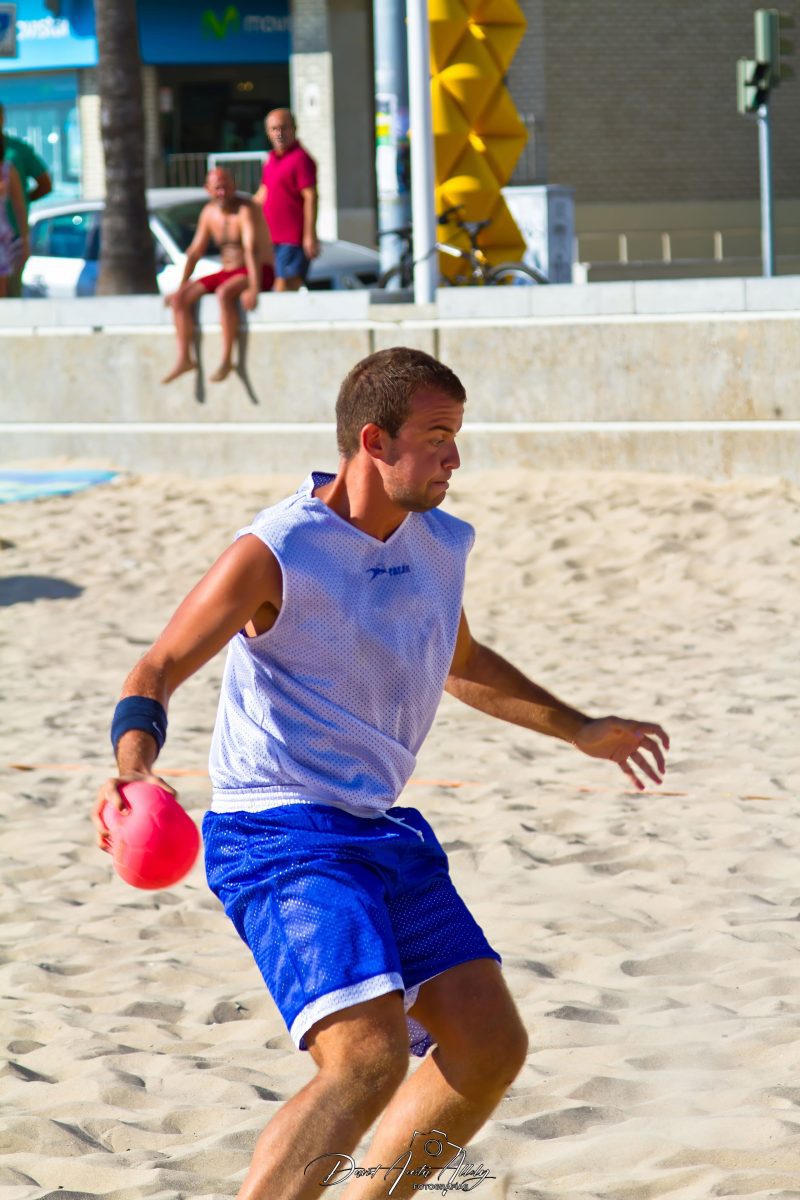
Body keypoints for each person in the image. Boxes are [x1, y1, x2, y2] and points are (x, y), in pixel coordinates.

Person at [94, 347, 669, 1200]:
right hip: (278, 832)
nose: (454, 457)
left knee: (489, 1047)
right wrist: (135, 768)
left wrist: (579, 727)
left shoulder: (438, 543)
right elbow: (158, 666)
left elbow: (460, 659)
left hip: (378, 828)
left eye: (456, 435)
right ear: (374, 440)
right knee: (365, 1059)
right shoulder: (278, 548)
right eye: (436, 436)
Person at [162, 167, 274, 385]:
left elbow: (251, 249)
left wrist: (254, 286)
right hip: (229, 272)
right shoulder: (208, 213)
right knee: (180, 299)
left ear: (234, 186)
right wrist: (182, 285)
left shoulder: (246, 209)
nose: (222, 193)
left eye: (226, 187)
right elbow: (195, 252)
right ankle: (185, 359)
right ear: (208, 189)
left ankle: (227, 359)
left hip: (258, 270)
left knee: (224, 293)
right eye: (217, 188)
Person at [253, 108, 319, 292]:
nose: (279, 133)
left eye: (283, 128)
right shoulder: (271, 159)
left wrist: (309, 235)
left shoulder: (301, 159)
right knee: (270, 287)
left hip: (292, 239)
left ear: (294, 128)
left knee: (285, 287)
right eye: (274, 129)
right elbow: (262, 194)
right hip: (270, 239)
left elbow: (311, 196)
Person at [0, 103, 52, 297]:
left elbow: (45, 184)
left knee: (9, 293)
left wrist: (19, 200)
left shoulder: (16, 152)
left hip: (9, 236)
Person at [0, 132, 29, 299]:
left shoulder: (7, 170)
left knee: (3, 288)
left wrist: (25, 240)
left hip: (3, 236)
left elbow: (20, 206)